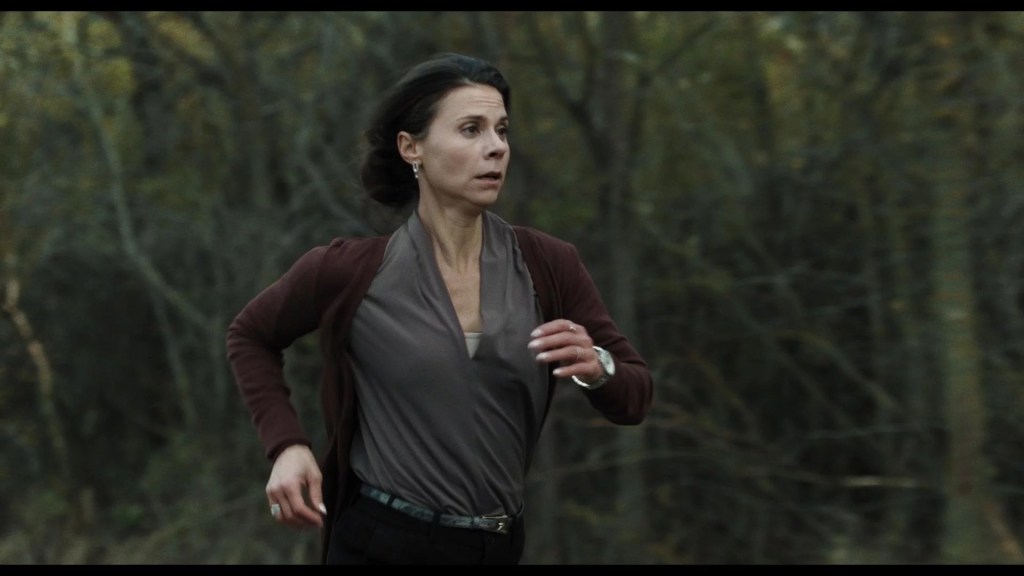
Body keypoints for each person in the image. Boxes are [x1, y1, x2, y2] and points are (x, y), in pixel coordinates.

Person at [226, 52, 653, 565]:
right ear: (412, 148)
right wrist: (287, 445)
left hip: (496, 546)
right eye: (471, 130)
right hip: (379, 543)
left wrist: (598, 366)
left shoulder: (548, 264)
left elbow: (635, 396)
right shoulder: (349, 271)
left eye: (502, 130)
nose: (496, 147)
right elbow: (249, 336)